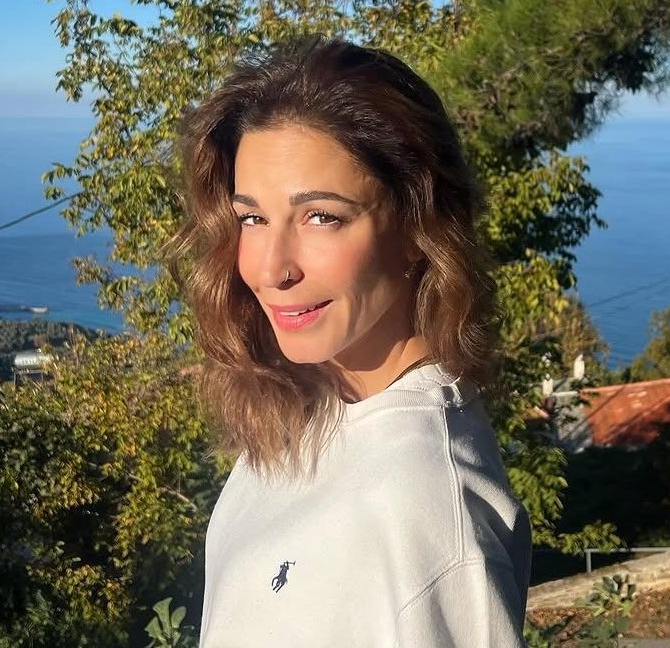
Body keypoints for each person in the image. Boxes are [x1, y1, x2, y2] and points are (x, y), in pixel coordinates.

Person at [165, 34, 532, 647]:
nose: (271, 269)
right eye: (253, 218)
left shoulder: (424, 505)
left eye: (322, 216)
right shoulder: (311, 415)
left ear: (418, 225)